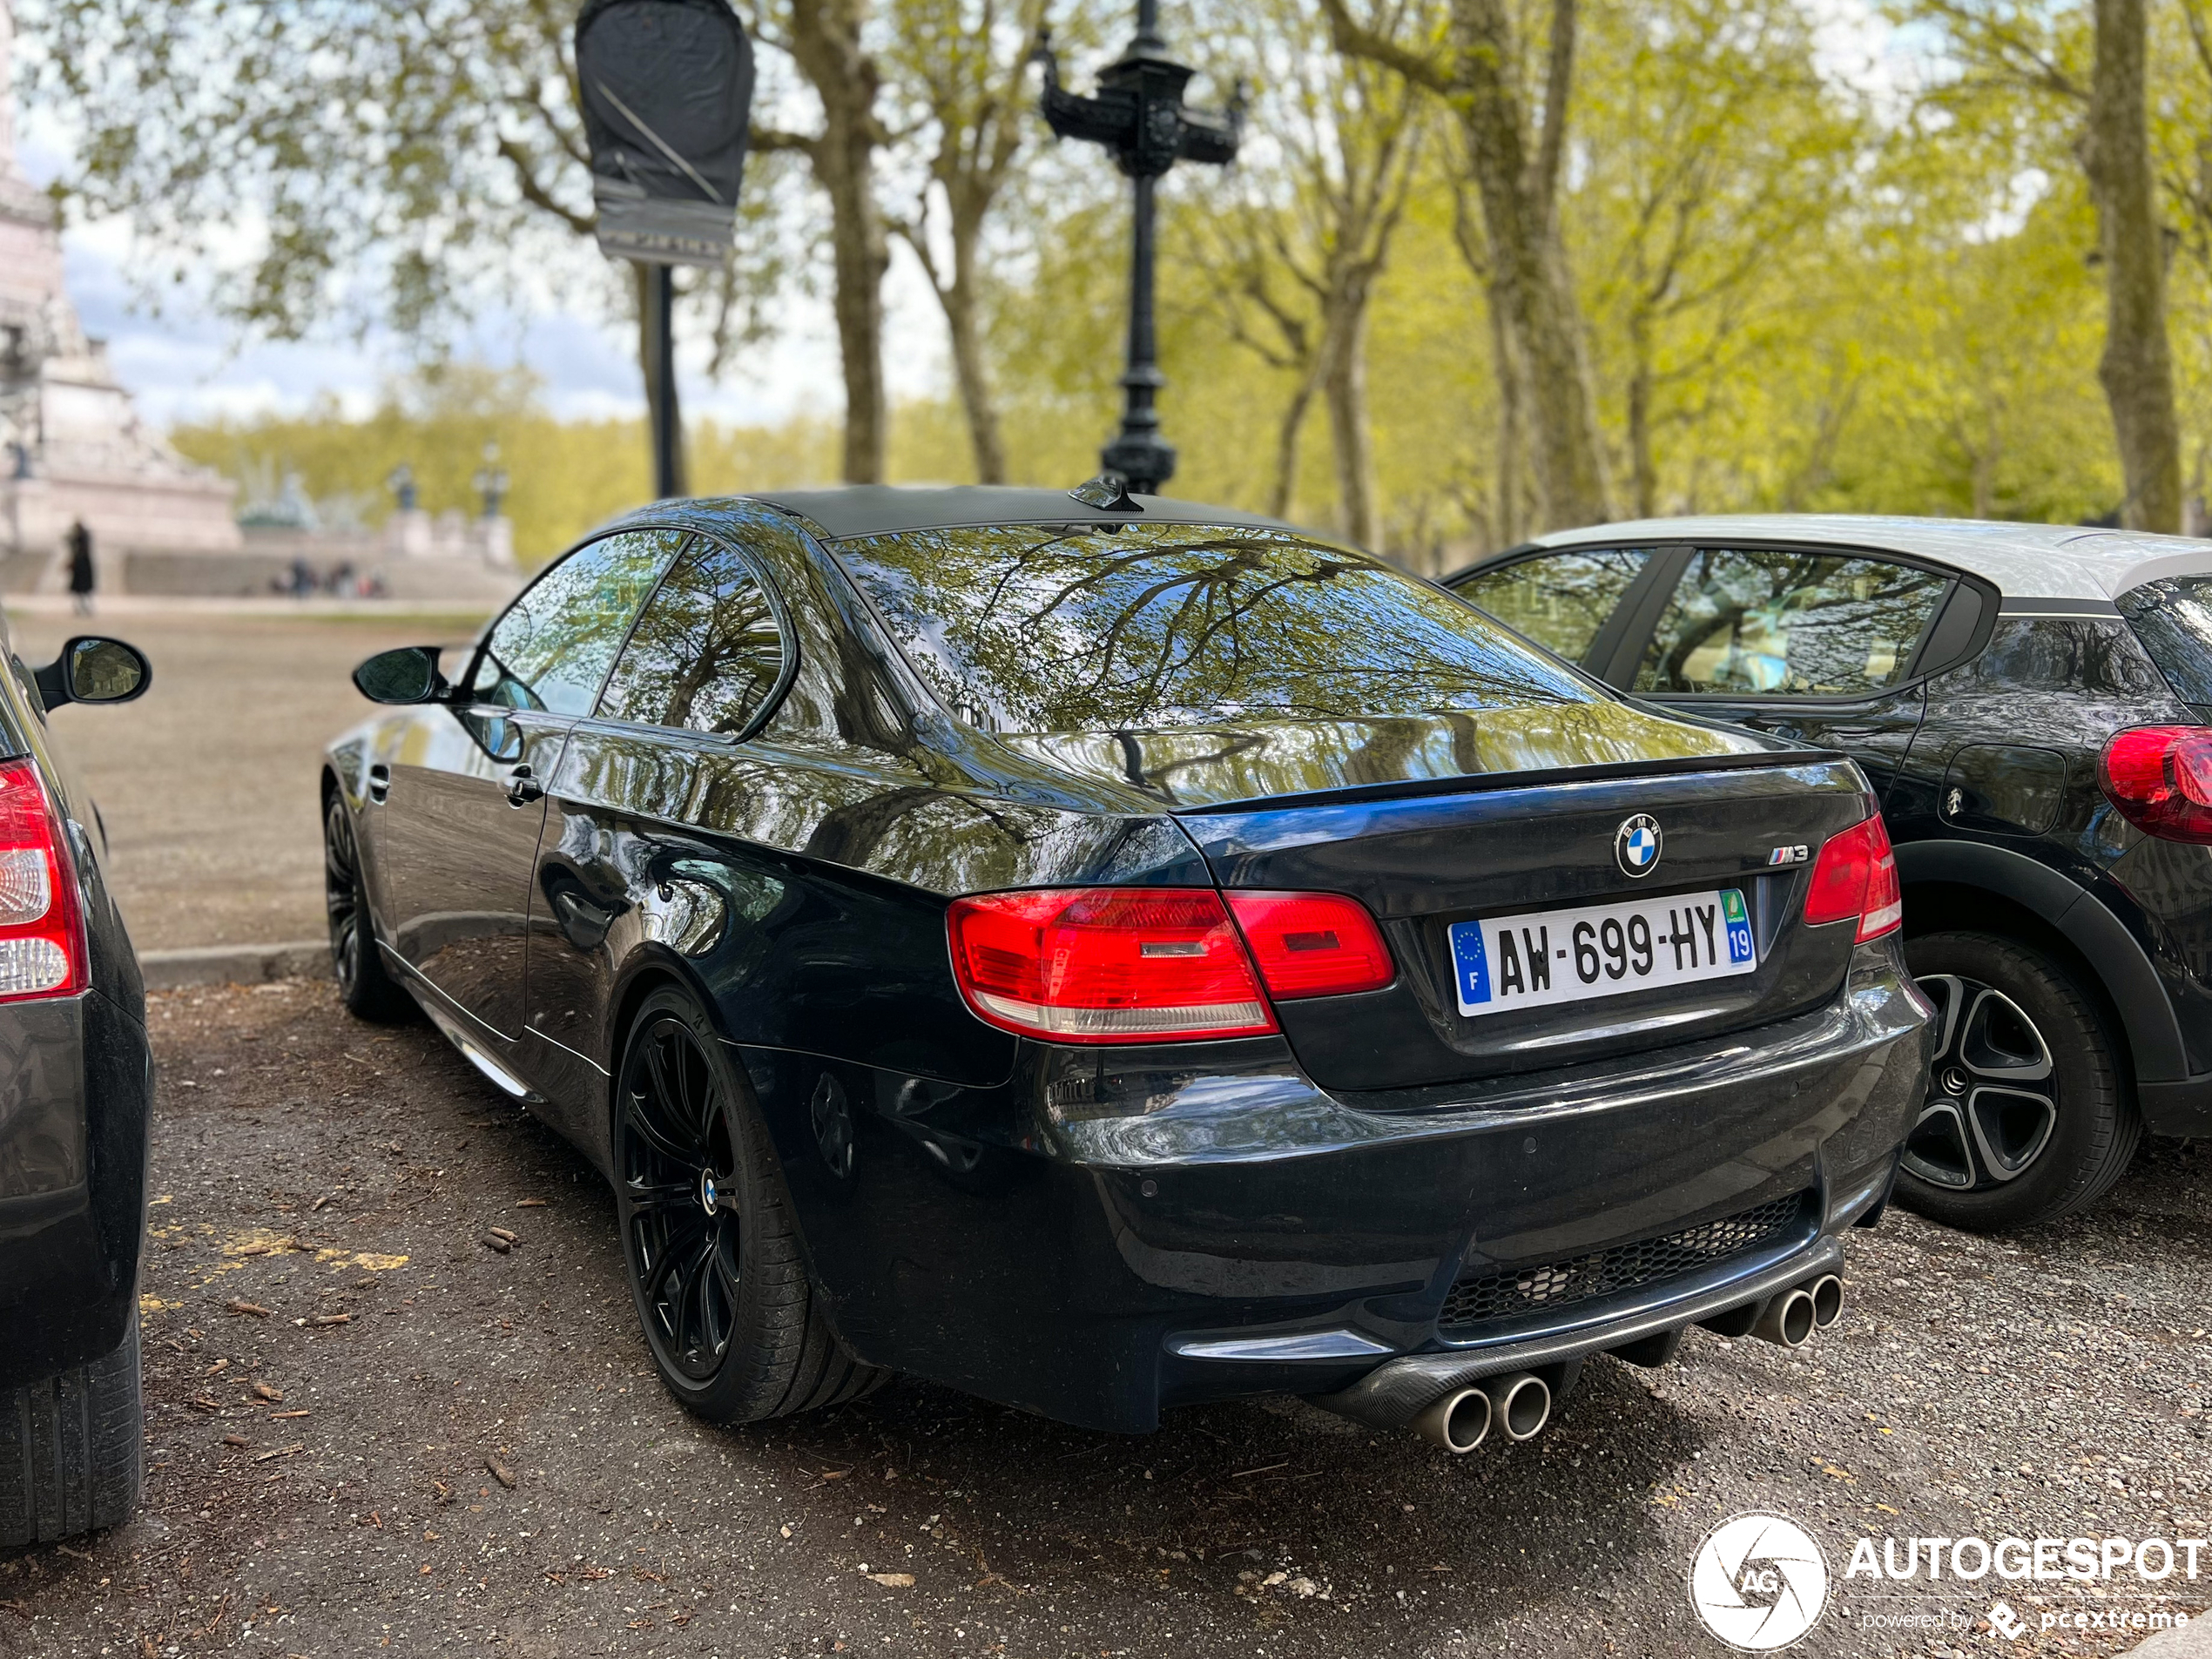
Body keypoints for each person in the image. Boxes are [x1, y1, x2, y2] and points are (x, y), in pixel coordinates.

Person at [64, 521, 94, 617]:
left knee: (84, 591)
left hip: (82, 566)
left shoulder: (82, 539)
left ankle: (86, 608)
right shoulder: (79, 539)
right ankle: (82, 608)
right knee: (81, 591)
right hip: (80, 566)